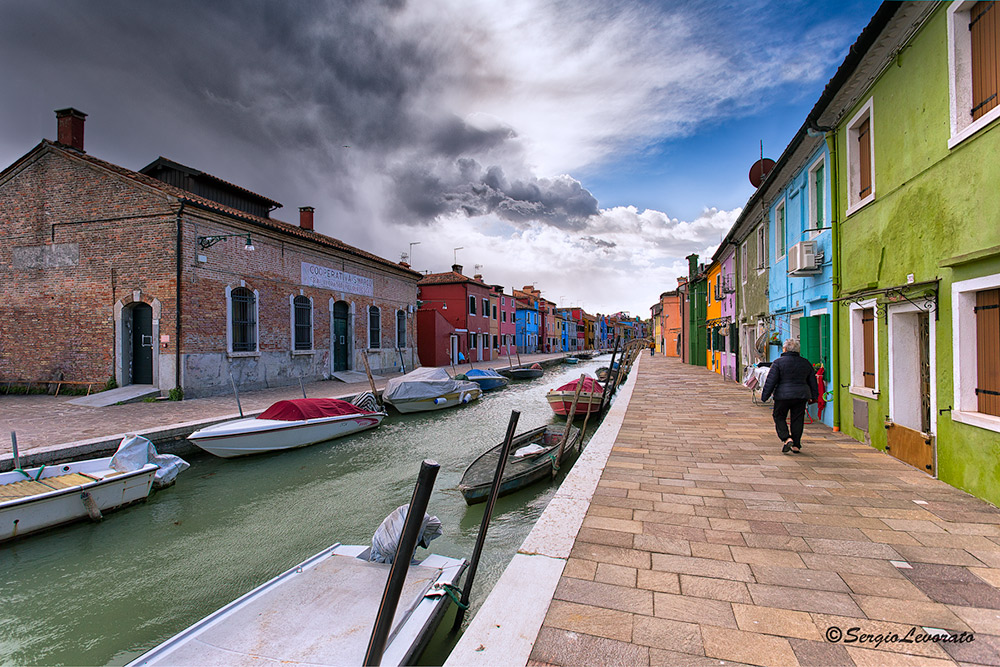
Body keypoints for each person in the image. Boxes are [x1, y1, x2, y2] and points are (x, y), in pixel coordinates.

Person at [759, 338, 818, 454]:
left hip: (782, 396)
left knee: (779, 416)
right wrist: (814, 396)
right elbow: (812, 381)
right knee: (797, 419)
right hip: (801, 396)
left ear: (784, 349)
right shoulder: (805, 363)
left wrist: (765, 395)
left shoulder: (778, 362)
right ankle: (796, 444)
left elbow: (771, 381)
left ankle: (786, 438)